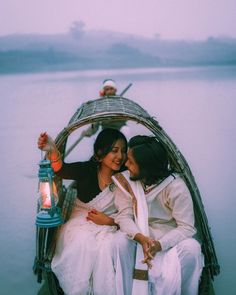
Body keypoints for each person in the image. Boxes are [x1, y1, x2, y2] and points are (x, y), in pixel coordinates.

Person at [37, 128, 135, 295]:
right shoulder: (87, 169)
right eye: (114, 151)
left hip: (112, 223)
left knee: (109, 246)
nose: (120, 156)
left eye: (124, 151)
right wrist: (52, 149)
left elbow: (130, 211)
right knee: (84, 242)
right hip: (80, 221)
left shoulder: (125, 177)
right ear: (100, 152)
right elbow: (61, 169)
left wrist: (110, 221)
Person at [112, 136, 204, 295]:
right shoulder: (127, 181)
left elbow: (186, 227)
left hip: (168, 241)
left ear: (147, 168)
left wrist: (159, 245)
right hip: (138, 237)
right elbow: (123, 217)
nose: (125, 164)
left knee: (192, 248)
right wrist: (141, 238)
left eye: (131, 162)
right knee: (119, 241)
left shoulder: (175, 187)